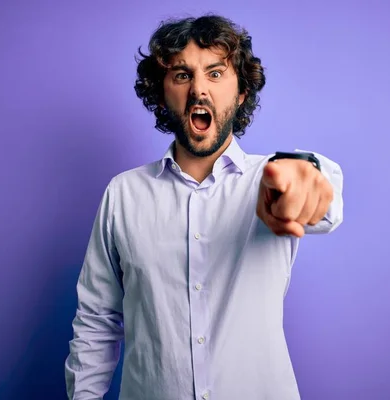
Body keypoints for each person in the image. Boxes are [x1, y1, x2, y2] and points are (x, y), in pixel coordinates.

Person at [65, 14, 344, 400]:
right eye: (182, 75)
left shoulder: (270, 180)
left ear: (241, 91)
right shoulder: (123, 195)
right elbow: (97, 321)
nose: (199, 90)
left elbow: (322, 199)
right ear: (162, 92)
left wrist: (307, 177)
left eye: (215, 74)